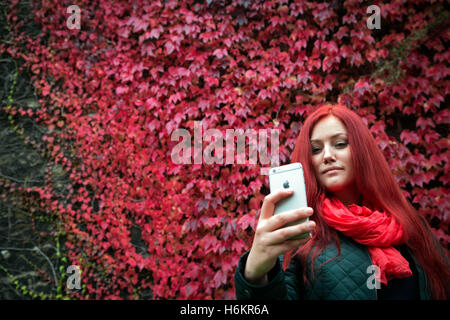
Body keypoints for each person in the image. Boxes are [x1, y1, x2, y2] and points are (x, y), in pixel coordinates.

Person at [234, 104, 449, 300]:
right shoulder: (300, 232)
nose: (327, 156)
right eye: (316, 149)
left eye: (340, 143)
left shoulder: (410, 224)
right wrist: (255, 275)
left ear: (361, 150)